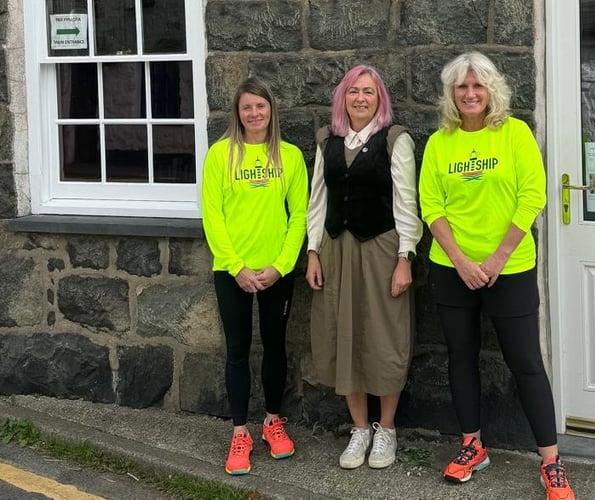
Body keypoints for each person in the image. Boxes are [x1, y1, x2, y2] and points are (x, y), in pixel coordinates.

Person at [418, 52, 575, 500]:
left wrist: (495, 260)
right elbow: (432, 206)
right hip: (453, 270)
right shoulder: (439, 143)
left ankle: (551, 461)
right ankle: (472, 445)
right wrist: (463, 262)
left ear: (492, 91)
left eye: (478, 86)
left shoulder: (514, 134)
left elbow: (533, 196)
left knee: (525, 362)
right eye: (462, 87)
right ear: (451, 94)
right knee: (461, 359)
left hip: (510, 268)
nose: (470, 94)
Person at [306, 65, 422, 470]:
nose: (360, 98)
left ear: (380, 99)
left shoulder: (395, 140)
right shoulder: (327, 140)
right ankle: (359, 428)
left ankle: (386, 428)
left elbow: (407, 204)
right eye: (353, 91)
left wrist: (405, 257)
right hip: (337, 249)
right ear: (343, 97)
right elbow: (317, 201)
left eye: (369, 92)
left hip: (382, 249)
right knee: (344, 334)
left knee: (384, 335)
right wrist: (313, 251)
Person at [201, 76, 308, 475]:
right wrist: (237, 267)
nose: (254, 113)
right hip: (233, 272)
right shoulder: (220, 156)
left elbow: (299, 216)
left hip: (276, 271)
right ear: (238, 112)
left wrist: (281, 265)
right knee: (237, 350)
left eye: (260, 106)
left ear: (271, 110)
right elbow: (213, 217)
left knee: (276, 346)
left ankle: (273, 421)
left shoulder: (290, 156)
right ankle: (240, 432)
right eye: (247, 107)